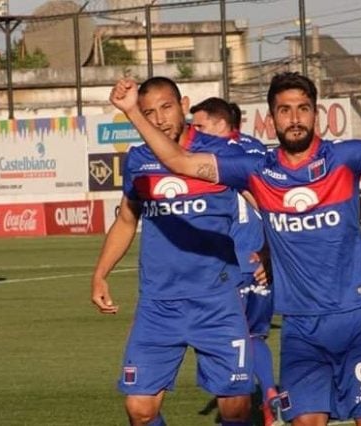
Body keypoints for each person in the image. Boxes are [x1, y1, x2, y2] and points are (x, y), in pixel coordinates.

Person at [109, 69, 361, 425]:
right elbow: (180, 162)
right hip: (299, 327)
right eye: (284, 110)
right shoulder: (256, 170)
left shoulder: (344, 158)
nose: (294, 118)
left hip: (354, 318)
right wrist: (133, 111)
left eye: (303, 109)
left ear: (315, 113)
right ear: (272, 118)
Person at [91, 76, 262, 426]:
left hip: (216, 302)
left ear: (183, 106)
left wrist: (271, 252)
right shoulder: (138, 160)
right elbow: (126, 220)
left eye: (166, 108)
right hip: (158, 305)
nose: (159, 119)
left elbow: (267, 203)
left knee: (236, 409)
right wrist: (100, 274)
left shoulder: (219, 153)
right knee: (140, 410)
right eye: (148, 113)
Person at [190, 96, 282, 426]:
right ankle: (271, 395)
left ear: (220, 124)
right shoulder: (260, 151)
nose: (194, 132)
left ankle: (248, 403)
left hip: (229, 263)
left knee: (226, 342)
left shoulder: (209, 158)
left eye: (200, 126)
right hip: (263, 259)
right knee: (254, 337)